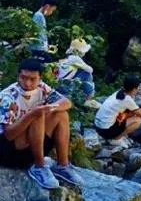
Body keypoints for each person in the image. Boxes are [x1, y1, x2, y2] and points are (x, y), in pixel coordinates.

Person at [0, 58, 83, 189]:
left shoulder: (42, 88)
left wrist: (51, 108)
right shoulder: (8, 96)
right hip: (10, 150)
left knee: (61, 114)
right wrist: (32, 114)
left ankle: (63, 165)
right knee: (37, 115)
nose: (27, 83)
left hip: (33, 142)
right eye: (23, 78)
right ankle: (39, 166)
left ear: (39, 78)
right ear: (18, 76)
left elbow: (66, 102)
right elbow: (8, 134)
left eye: (32, 79)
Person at [94, 76, 141, 146]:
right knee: (138, 120)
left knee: (130, 112)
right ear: (134, 88)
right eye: (137, 87)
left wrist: (134, 93)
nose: (138, 89)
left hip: (98, 126)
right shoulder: (127, 99)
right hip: (105, 131)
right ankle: (116, 139)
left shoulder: (119, 92)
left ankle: (116, 133)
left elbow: (129, 110)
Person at [55, 38, 96, 105]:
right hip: (64, 87)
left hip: (58, 85)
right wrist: (81, 66)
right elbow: (90, 70)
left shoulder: (68, 58)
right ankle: (88, 97)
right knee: (87, 74)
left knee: (80, 72)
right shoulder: (75, 58)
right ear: (79, 51)